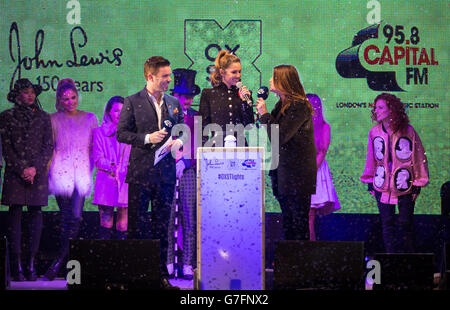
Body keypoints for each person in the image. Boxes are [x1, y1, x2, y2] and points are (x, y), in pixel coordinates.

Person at [117, 56, 186, 289]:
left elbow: (181, 129)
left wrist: (178, 143)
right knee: (136, 225)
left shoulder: (174, 101)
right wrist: (147, 138)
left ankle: (159, 276)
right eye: (164, 76)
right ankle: (133, 276)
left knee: (161, 225)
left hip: (165, 173)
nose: (169, 80)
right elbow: (122, 134)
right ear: (150, 77)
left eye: (169, 75)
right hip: (141, 173)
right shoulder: (132, 101)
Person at [361, 93, 429, 253]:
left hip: (404, 183)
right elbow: (371, 157)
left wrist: (418, 182)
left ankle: (410, 262)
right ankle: (391, 261)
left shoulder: (408, 131)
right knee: (387, 223)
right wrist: (370, 180)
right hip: (382, 184)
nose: (376, 111)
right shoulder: (374, 132)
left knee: (405, 223)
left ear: (391, 109)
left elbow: (418, 157)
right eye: (375, 107)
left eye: (380, 107)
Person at [44, 79, 98, 280]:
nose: (70, 102)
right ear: (59, 100)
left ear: (78, 97)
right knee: (69, 218)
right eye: (65, 99)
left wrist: (90, 168)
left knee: (74, 218)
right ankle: (66, 265)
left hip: (81, 173)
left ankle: (59, 262)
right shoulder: (53, 119)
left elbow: (94, 147)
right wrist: (48, 172)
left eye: (73, 97)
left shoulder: (90, 118)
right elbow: (49, 148)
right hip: (60, 172)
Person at [0, 79, 53, 281]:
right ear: (17, 95)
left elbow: (48, 147)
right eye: (25, 92)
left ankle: (31, 263)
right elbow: (6, 147)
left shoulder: (43, 117)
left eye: (32, 92)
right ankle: (16, 264)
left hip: (36, 175)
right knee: (14, 217)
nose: (30, 96)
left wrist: (34, 169)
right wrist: (22, 169)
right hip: (15, 174)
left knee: (35, 215)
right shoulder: (6, 117)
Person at [256, 65, 317, 241]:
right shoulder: (282, 104)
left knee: (298, 221)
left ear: (283, 81)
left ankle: (300, 261)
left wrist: (264, 114)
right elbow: (272, 130)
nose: (269, 81)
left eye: (273, 78)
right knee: (289, 221)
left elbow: (280, 136)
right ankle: (291, 260)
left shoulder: (299, 106)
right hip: (284, 173)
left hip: (297, 176)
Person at [166, 68, 200, 280]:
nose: (187, 100)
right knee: (168, 218)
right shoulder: (165, 116)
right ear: (175, 96)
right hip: (168, 171)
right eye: (183, 96)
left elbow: (199, 144)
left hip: (189, 171)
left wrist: (186, 161)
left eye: (190, 97)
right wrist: (172, 160)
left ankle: (187, 263)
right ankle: (169, 261)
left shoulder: (196, 118)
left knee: (189, 216)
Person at [92, 96, 131, 240]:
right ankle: (105, 256)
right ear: (109, 112)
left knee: (123, 223)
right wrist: (113, 166)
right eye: (116, 110)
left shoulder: (131, 134)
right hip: (106, 180)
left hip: (125, 180)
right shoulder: (99, 132)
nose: (119, 114)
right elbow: (98, 158)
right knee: (106, 219)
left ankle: (121, 259)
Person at [199, 50, 254, 146]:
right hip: (217, 147)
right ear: (222, 72)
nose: (238, 75)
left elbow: (249, 125)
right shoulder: (209, 94)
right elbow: (203, 127)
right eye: (234, 72)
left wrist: (244, 103)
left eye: (240, 72)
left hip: (240, 147)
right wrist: (203, 151)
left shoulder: (244, 95)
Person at [306, 94, 340, 241]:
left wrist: (310, 172)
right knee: (304, 216)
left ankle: (309, 250)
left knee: (309, 216)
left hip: (315, 171)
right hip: (301, 170)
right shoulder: (300, 125)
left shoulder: (324, 127)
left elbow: (322, 151)